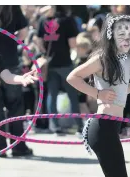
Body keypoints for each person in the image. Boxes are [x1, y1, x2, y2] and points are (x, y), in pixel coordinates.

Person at [66, 14, 130, 177]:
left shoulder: (127, 60)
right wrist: (98, 93)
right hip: (103, 127)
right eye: (121, 35)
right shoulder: (102, 58)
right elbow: (72, 77)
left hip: (112, 127)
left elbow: (119, 94)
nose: (127, 40)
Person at [0, 6, 40, 177]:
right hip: (10, 59)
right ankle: (18, 147)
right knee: (15, 107)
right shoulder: (12, 6)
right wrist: (12, 42)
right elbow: (23, 31)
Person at [34, 5, 82, 135]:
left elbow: (38, 40)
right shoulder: (67, 20)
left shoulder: (43, 20)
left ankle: (55, 127)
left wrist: (45, 53)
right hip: (65, 62)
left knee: (51, 95)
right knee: (72, 95)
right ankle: (79, 127)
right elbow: (73, 44)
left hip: (49, 63)